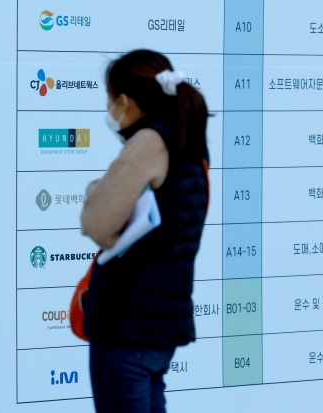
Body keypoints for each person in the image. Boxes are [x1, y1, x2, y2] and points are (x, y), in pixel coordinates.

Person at [80, 49, 210, 413]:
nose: (109, 110)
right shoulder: (189, 142)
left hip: (128, 325)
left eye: (109, 99)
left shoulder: (150, 142)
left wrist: (96, 190)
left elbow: (98, 224)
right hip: (159, 326)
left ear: (124, 100)